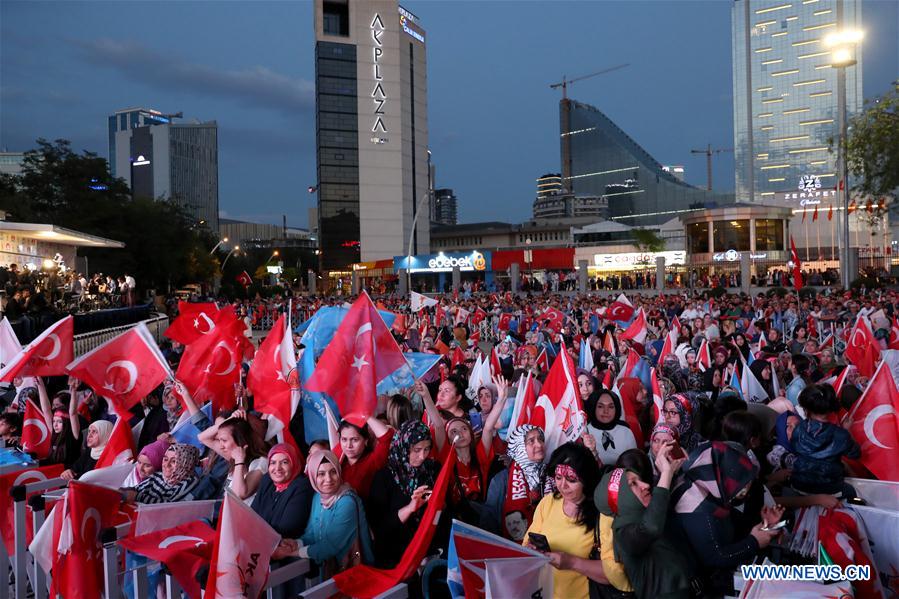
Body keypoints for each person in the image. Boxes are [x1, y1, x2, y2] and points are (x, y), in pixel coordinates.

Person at [671, 441, 782, 595]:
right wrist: (754, 542)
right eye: (742, 487)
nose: (746, 490)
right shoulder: (697, 510)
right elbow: (716, 556)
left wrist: (764, 525)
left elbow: (728, 522)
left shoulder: (705, 482)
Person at [595, 445, 691, 599]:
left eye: (641, 480)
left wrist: (670, 470)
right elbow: (651, 527)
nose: (646, 485)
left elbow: (656, 512)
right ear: (620, 497)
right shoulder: (623, 533)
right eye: (633, 483)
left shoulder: (647, 513)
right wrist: (666, 474)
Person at [524, 443, 604, 599]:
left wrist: (572, 562)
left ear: (587, 479)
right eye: (558, 477)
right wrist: (531, 550)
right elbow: (527, 543)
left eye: (571, 480)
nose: (562, 485)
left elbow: (613, 573)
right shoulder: (548, 502)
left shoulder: (601, 513)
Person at [279, 450, 374, 579]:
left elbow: (332, 545)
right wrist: (296, 543)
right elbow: (312, 533)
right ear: (313, 477)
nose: (328, 479)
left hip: (355, 573)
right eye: (321, 474)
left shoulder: (347, 502)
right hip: (331, 570)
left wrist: (294, 553)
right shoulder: (318, 497)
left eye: (333, 472)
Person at [368, 421, 442, 568]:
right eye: (416, 450)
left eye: (427, 449)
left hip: (431, 552)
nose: (422, 456)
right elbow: (380, 528)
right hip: (396, 557)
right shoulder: (384, 478)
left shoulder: (433, 470)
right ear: (403, 446)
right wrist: (409, 508)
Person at [790, 384, 860, 498]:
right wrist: (848, 431)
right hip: (830, 489)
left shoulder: (798, 428)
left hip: (798, 484)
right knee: (857, 494)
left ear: (806, 409)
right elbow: (856, 454)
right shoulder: (840, 434)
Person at [484, 424, 548, 541]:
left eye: (540, 439)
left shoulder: (553, 475)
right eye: (531, 441)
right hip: (509, 550)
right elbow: (489, 522)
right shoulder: (501, 480)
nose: (539, 444)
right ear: (519, 447)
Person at [199, 410, 268, 504]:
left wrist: (239, 462)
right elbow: (202, 438)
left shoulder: (261, 462)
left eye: (224, 440)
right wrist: (229, 420)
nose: (221, 445)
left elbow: (238, 495)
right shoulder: (231, 455)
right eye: (219, 440)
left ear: (240, 440)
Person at [337, 415, 394, 500]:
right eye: (344, 439)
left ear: (366, 441)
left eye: (355, 440)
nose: (348, 445)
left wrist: (366, 415)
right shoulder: (338, 461)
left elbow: (387, 436)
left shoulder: (373, 461)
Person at [127, 444, 201, 503]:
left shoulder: (189, 481)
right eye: (165, 459)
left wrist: (137, 496)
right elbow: (135, 489)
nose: (167, 464)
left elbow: (169, 506)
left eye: (174, 461)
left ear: (186, 464)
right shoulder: (158, 475)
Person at [583, 388, 638, 465]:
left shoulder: (626, 431)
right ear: (593, 407)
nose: (606, 411)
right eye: (600, 406)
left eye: (611, 407)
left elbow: (634, 462)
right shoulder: (584, 432)